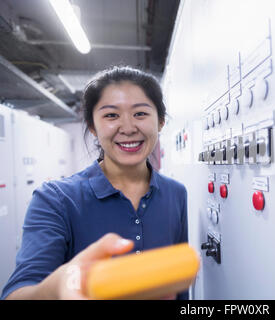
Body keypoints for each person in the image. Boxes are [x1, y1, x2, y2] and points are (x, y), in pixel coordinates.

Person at [1, 66, 188, 300]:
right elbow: (16, 293)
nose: (128, 128)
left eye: (140, 114)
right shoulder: (55, 199)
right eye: (111, 115)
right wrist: (58, 287)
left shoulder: (176, 194)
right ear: (93, 126)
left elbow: (180, 290)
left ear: (160, 122)